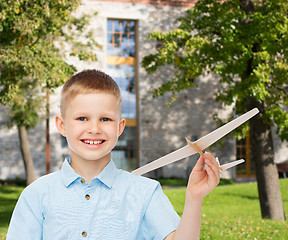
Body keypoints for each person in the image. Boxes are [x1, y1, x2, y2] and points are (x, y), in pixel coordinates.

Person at [7, 69, 220, 240]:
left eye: (105, 119)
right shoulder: (35, 196)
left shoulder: (145, 193)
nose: (94, 128)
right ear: (62, 125)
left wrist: (194, 199)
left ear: (120, 127)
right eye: (82, 118)